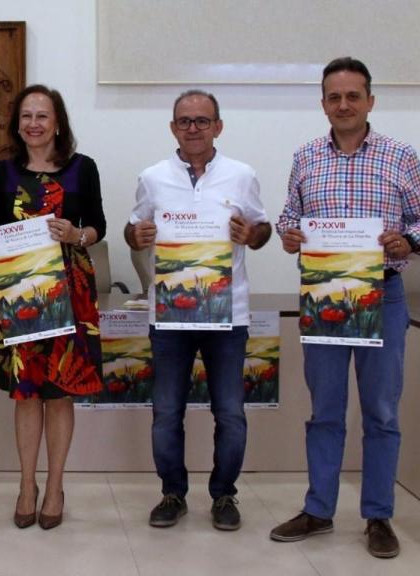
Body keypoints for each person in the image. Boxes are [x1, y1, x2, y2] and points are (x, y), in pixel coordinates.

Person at [271, 57, 420, 559]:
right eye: (334, 97)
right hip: (325, 296)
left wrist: (407, 242)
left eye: (353, 95)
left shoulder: (402, 156)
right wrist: (290, 235)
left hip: (384, 295)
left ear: (370, 101)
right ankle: (319, 509)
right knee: (326, 411)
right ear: (323, 104)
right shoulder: (307, 156)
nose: (343, 105)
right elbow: (289, 216)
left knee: (380, 412)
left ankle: (378, 516)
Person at [124, 89, 270, 531]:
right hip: (169, 316)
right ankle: (172, 493)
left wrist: (252, 234)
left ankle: (224, 495)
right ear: (173, 128)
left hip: (228, 315)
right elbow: (132, 229)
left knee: (230, 413)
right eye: (185, 121)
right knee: (167, 411)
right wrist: (138, 236)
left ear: (218, 127)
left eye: (202, 121)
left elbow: (263, 227)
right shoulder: (152, 177)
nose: (193, 128)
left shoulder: (242, 175)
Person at [0, 84, 104, 530]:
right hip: (19, 293)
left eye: (43, 116)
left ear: (57, 123)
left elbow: (99, 227)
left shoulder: (81, 169)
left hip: (70, 291)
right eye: (27, 116)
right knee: (27, 392)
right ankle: (27, 484)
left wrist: (77, 234)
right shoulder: (4, 172)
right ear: (18, 123)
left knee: (60, 392)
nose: (34, 123)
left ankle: (55, 485)